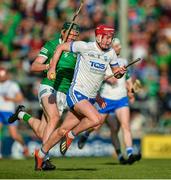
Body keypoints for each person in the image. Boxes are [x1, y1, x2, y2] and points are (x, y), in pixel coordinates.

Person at [33, 24, 126, 170]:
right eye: (106, 37)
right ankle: (72, 135)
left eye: (110, 38)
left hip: (89, 97)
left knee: (61, 131)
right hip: (76, 93)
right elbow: (61, 47)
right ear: (98, 36)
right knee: (96, 119)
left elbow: (116, 74)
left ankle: (40, 154)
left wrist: (120, 72)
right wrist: (51, 67)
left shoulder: (111, 54)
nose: (108, 41)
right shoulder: (84, 46)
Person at [8, 22, 80, 170]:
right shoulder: (52, 45)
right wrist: (49, 66)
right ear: (62, 32)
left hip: (63, 92)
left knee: (43, 131)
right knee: (54, 118)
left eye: (75, 35)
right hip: (49, 86)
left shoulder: (77, 49)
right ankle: (44, 158)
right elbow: (34, 66)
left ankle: (22, 114)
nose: (72, 37)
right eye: (70, 34)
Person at [77, 38, 141, 165]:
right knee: (96, 125)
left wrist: (131, 91)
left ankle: (128, 153)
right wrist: (107, 78)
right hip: (105, 99)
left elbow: (127, 79)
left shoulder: (123, 61)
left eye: (119, 46)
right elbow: (95, 75)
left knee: (124, 126)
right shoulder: (103, 58)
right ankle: (86, 134)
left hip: (121, 99)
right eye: (117, 46)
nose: (119, 48)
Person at [0, 67, 28, 158]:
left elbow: (20, 98)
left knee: (14, 135)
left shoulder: (12, 85)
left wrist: (10, 99)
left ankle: (24, 147)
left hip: (9, 112)